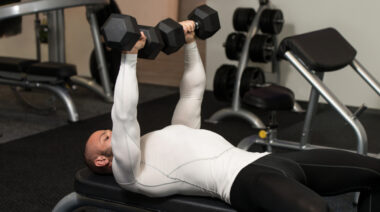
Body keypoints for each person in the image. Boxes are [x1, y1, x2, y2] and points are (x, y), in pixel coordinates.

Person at [84, 21, 380, 212]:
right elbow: (124, 117)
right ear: (101, 160)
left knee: (374, 172)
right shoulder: (130, 173)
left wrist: (190, 43)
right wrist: (129, 56)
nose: (109, 131)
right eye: (103, 137)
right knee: (315, 211)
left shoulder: (172, 132)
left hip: (269, 160)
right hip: (245, 181)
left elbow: (192, 92)